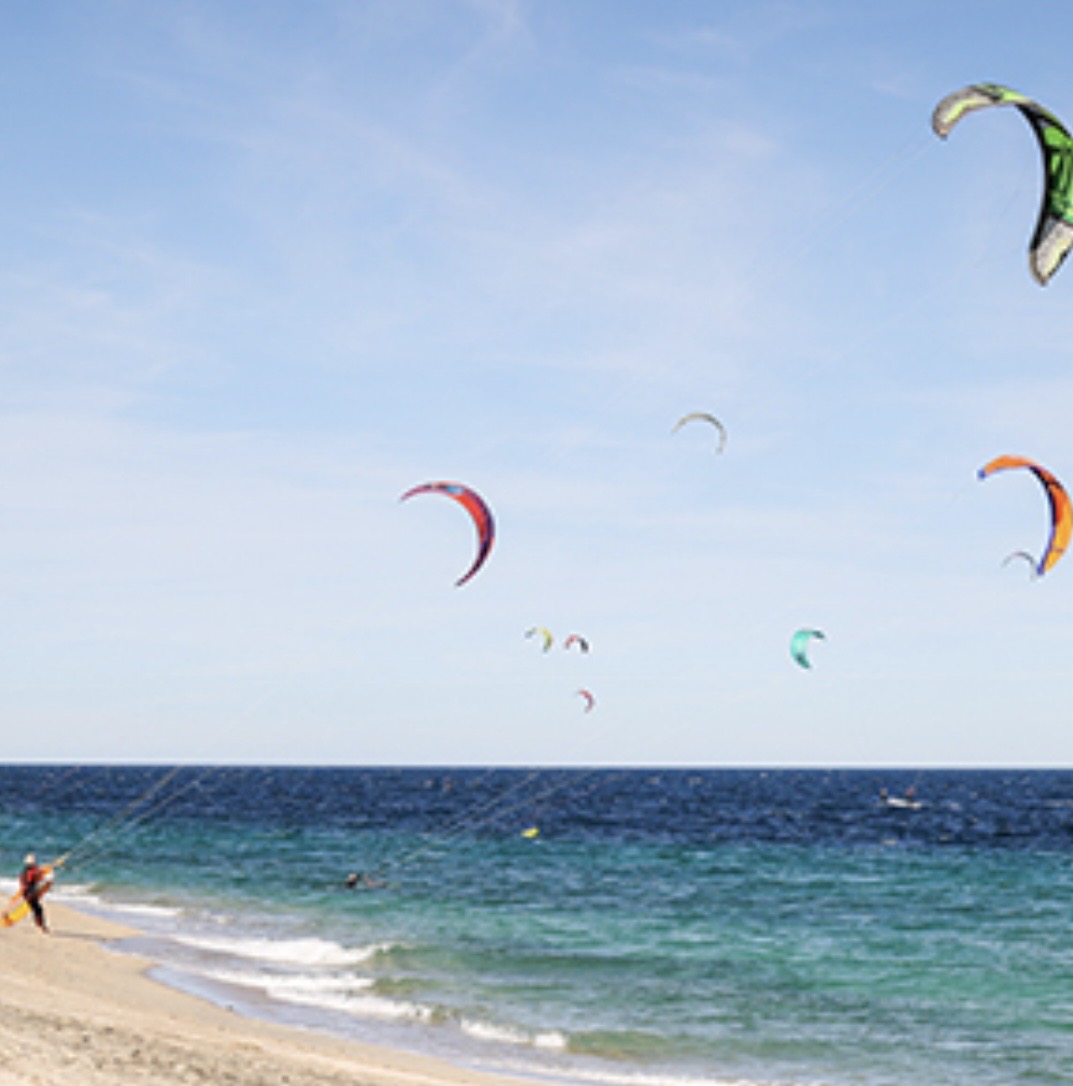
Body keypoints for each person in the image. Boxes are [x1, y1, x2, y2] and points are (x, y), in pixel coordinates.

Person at [19, 854, 49, 933]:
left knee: (36, 909)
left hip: (26, 893)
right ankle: (41, 926)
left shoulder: (23, 872)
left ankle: (40, 925)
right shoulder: (31, 871)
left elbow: (24, 881)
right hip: (30, 893)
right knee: (38, 909)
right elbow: (34, 877)